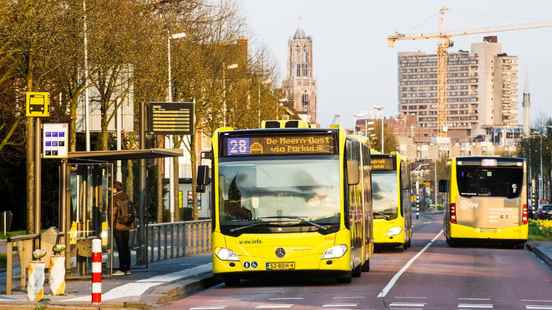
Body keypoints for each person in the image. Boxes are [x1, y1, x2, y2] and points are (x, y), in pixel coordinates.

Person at [113, 181, 131, 275]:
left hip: (118, 226)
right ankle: (128, 268)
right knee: (126, 247)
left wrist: (111, 225)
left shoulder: (114, 198)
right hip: (126, 226)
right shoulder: (126, 196)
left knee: (120, 248)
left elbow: (112, 213)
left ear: (115, 188)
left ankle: (122, 268)